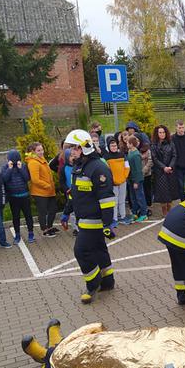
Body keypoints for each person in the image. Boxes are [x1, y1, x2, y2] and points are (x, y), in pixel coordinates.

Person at [61, 130, 116, 304]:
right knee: (99, 249)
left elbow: (107, 199)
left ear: (84, 147)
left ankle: (93, 284)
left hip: (94, 220)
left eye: (75, 148)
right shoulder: (79, 166)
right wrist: (66, 212)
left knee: (81, 250)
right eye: (71, 148)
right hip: (82, 217)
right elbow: (74, 193)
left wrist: (108, 224)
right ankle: (108, 281)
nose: (72, 152)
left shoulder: (98, 167)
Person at [1, 149, 35, 244]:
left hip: (24, 196)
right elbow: (4, 179)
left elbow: (27, 178)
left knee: (28, 215)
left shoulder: (23, 166)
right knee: (15, 217)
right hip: (13, 197)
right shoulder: (5, 167)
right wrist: (10, 169)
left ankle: (31, 233)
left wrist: (20, 169)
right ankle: (17, 234)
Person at [26, 142, 58, 237]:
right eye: (38, 150)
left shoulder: (41, 159)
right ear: (33, 152)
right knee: (42, 212)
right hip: (40, 192)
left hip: (49, 191)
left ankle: (49, 226)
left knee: (53, 209)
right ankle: (45, 230)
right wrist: (47, 185)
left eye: (42, 150)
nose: (41, 152)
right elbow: (35, 180)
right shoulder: (33, 163)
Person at [151, 125, 178, 217]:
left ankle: (170, 211)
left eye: (163, 132)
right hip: (160, 172)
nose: (162, 134)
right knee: (162, 194)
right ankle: (164, 212)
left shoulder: (171, 143)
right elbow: (154, 158)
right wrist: (163, 167)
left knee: (170, 193)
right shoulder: (154, 145)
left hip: (170, 171)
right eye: (160, 132)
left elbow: (174, 155)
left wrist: (170, 167)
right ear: (157, 134)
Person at [103, 135, 130, 227]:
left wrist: (124, 177)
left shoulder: (122, 155)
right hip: (113, 184)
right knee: (114, 202)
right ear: (108, 147)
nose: (114, 147)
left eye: (115, 145)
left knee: (122, 200)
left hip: (122, 182)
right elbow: (106, 171)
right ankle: (114, 219)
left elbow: (127, 167)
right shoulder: (106, 157)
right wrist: (112, 181)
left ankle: (122, 216)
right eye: (112, 146)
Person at [124, 135, 148, 223]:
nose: (126, 144)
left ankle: (143, 214)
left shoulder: (136, 155)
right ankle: (135, 213)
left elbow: (138, 170)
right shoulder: (130, 152)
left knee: (140, 197)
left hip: (136, 180)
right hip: (130, 179)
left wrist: (136, 182)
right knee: (133, 197)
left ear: (131, 144)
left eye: (127, 143)